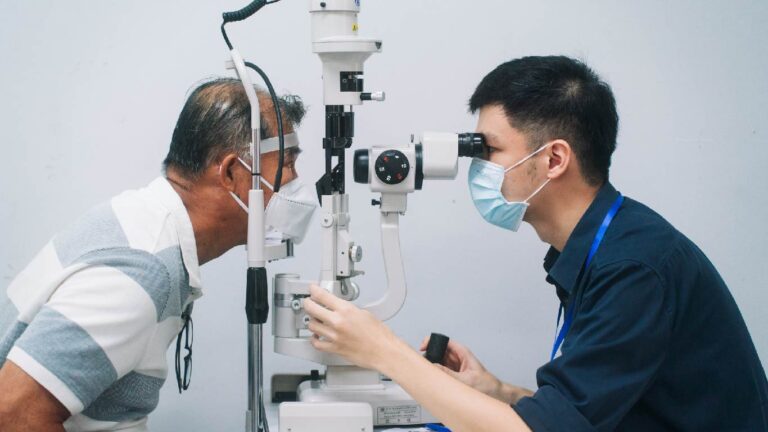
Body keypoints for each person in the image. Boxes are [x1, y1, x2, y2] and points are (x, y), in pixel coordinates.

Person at [302, 56, 768, 431]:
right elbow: (583, 413)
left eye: (488, 150)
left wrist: (382, 350)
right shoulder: (605, 246)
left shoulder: (634, 268)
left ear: (554, 159)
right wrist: (497, 391)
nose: (477, 168)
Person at [0, 78, 317, 431]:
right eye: (287, 164)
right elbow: (14, 413)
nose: (297, 182)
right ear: (231, 172)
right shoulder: (142, 269)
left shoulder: (148, 227)